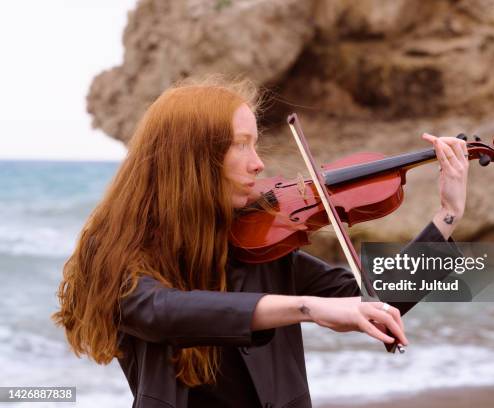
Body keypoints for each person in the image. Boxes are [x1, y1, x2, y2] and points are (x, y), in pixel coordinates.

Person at [53, 78, 469, 408]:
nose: (259, 163)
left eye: (255, 143)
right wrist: (305, 307)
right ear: (194, 157)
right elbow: (163, 311)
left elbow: (376, 298)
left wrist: (446, 216)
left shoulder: (255, 240)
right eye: (241, 145)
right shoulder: (116, 252)